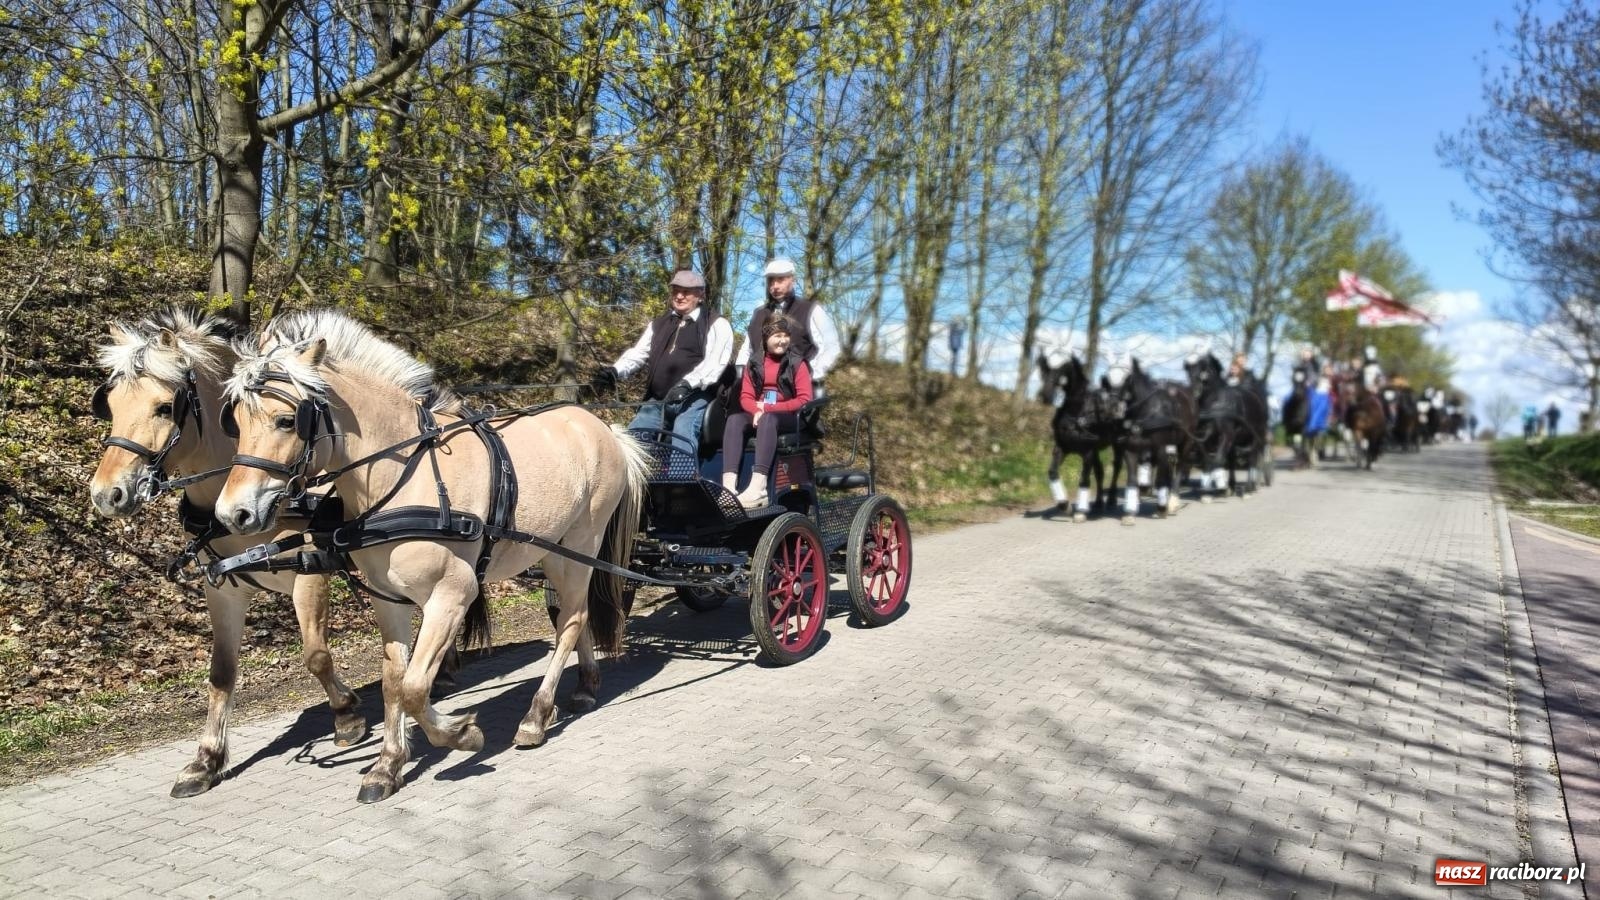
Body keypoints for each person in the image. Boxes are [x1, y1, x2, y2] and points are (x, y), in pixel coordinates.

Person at [592, 269, 732, 461]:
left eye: (686, 291)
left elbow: (715, 362)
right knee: (634, 438)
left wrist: (687, 384)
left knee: (684, 430)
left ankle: (681, 485)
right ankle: (633, 488)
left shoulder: (716, 323)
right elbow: (638, 353)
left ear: (700, 294)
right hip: (659, 400)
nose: (679, 296)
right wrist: (615, 371)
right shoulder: (659, 324)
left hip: (695, 398)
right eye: (675, 290)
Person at [721, 315, 813, 509]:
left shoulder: (797, 363)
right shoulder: (753, 363)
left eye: (786, 335)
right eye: (777, 335)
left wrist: (768, 409)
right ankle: (728, 487)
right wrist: (756, 410)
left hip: (791, 416)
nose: (782, 340)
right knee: (735, 420)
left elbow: (804, 400)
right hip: (762, 413)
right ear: (765, 338)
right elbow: (746, 396)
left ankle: (759, 487)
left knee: (769, 419)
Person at [743, 258, 840, 394]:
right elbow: (747, 350)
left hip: (799, 390)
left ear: (793, 280)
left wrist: (813, 374)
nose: (775, 285)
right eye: (771, 280)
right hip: (762, 388)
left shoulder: (811, 310)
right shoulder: (758, 314)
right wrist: (743, 373)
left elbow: (832, 344)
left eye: (780, 279)